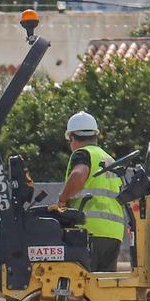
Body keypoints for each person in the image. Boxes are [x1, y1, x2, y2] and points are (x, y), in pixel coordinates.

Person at [57, 110, 126, 273]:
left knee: (84, 286)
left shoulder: (83, 153)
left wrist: (62, 198)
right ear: (95, 136)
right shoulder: (110, 159)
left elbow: (79, 175)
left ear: (72, 138)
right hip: (114, 233)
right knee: (102, 289)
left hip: (89, 230)